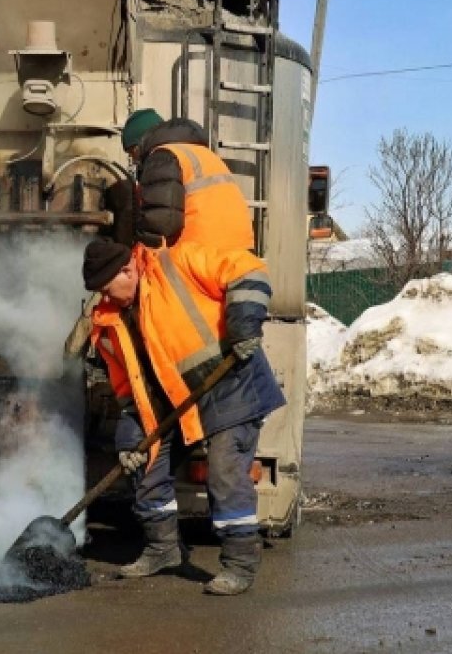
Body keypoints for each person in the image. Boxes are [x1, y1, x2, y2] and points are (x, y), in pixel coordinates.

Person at [82, 237, 285, 595]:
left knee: (224, 471)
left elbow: (248, 268)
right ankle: (163, 549)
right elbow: (129, 391)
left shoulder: (176, 264)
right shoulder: (108, 322)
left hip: (231, 383)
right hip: (176, 399)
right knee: (142, 459)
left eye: (107, 287)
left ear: (127, 269)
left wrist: (244, 324)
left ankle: (239, 565)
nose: (106, 297)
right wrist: (131, 442)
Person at [120, 108, 254, 252]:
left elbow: (162, 223)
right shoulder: (202, 153)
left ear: (142, 142)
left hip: (204, 255)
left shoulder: (163, 156)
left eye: (132, 152)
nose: (134, 160)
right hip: (240, 251)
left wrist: (137, 254)